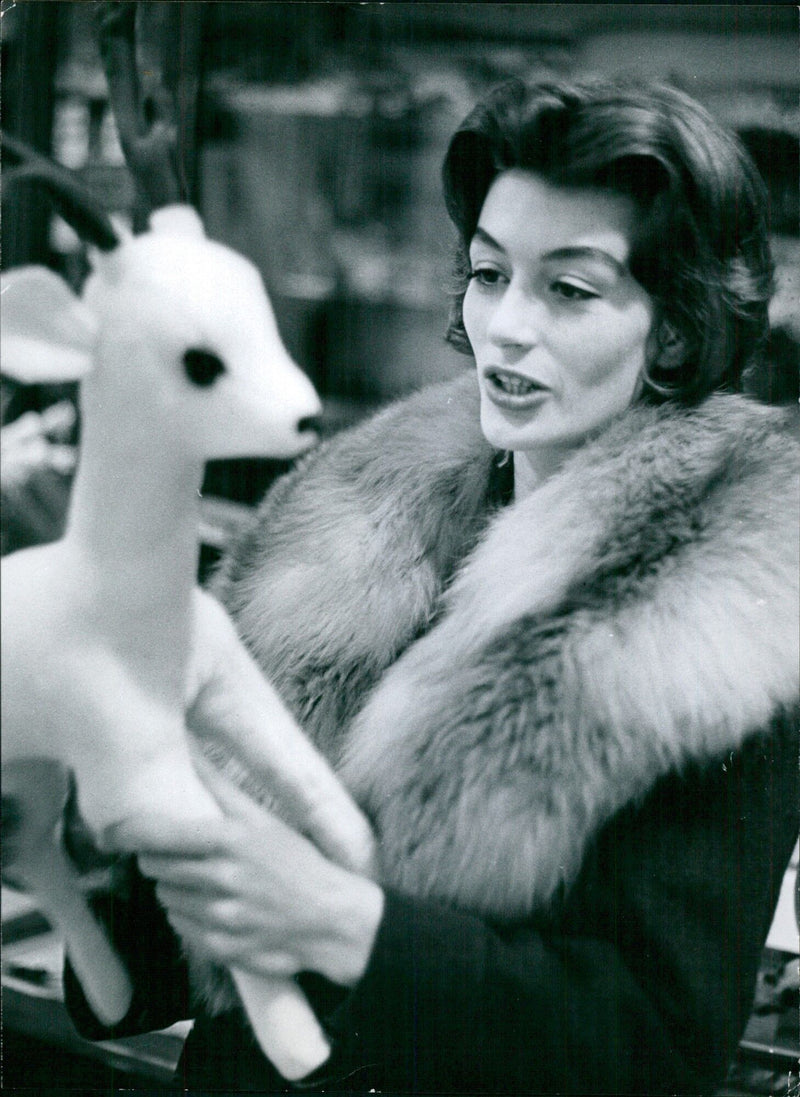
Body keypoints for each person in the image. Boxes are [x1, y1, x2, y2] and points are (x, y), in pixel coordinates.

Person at [64, 78, 799, 1095]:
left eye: (568, 289)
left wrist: (352, 928)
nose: (504, 325)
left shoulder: (727, 605)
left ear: (671, 329)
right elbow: (156, 956)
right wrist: (94, 798)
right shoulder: (349, 502)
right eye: (490, 273)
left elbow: (656, 1047)